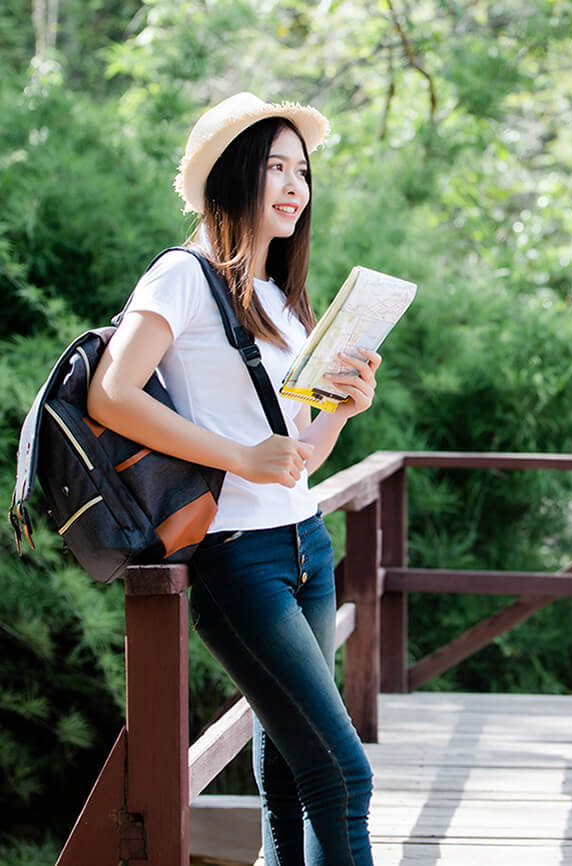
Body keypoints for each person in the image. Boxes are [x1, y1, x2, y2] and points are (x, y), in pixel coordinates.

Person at [87, 92, 379, 866]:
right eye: (274, 167)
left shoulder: (282, 300)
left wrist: (344, 411)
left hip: (304, 540)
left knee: (290, 769)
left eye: (302, 171)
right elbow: (110, 393)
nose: (294, 186)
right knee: (343, 775)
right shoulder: (181, 276)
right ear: (232, 177)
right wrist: (238, 457)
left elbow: (299, 457)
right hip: (234, 554)